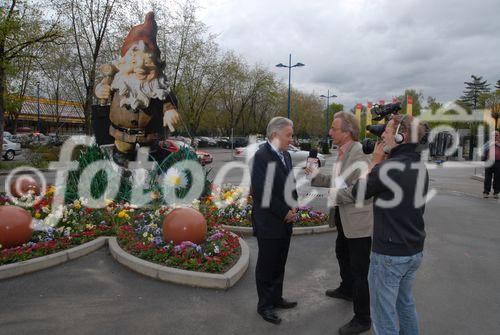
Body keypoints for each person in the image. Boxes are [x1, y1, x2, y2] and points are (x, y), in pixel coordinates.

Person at [353, 114, 428, 335]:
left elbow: (359, 192)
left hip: (390, 255)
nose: (382, 134)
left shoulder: (388, 167)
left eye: (386, 130)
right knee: (404, 304)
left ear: (399, 136)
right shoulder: (418, 164)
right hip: (413, 250)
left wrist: (375, 162)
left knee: (383, 314)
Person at [306, 111, 373, 335]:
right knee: (341, 252)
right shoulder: (343, 152)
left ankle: (363, 318)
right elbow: (339, 181)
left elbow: (361, 192)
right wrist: (316, 176)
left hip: (358, 222)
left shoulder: (360, 154)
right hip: (344, 218)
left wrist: (333, 195)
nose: (330, 132)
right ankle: (347, 289)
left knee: (360, 269)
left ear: (347, 132)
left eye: (334, 129)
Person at [94, 12, 179, 166]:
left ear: (157, 66)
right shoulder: (117, 81)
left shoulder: (158, 86)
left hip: (150, 136)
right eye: (133, 61)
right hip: (122, 135)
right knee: (122, 156)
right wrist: (100, 89)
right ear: (121, 65)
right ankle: (122, 168)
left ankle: (148, 174)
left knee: (149, 159)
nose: (140, 67)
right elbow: (102, 90)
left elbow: (167, 99)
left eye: (147, 62)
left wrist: (170, 110)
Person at [251, 117, 298, 325]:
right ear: (274, 135)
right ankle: (265, 306)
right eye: (288, 134)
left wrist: (294, 205)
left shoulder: (286, 155)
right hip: (269, 222)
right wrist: (284, 212)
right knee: (266, 266)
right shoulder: (261, 157)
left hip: (285, 221)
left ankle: (276, 298)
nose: (291, 138)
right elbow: (262, 192)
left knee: (280, 262)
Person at [483, 130, 500, 199]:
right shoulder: (489, 142)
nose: (495, 136)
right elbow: (483, 149)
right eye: (494, 135)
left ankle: (496, 193)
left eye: (497, 135)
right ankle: (486, 192)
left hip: (498, 162)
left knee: (498, 178)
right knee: (487, 177)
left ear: (499, 136)